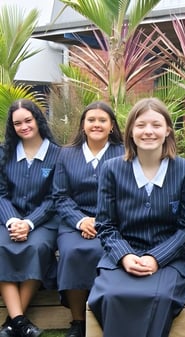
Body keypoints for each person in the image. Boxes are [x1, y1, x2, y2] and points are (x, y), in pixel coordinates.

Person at [87, 98, 185, 337]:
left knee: (160, 297)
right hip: (121, 255)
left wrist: (156, 258)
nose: (148, 131)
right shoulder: (112, 169)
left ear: (168, 129)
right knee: (111, 296)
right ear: (130, 131)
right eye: (141, 125)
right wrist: (125, 256)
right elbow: (105, 224)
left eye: (156, 125)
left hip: (168, 259)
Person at [53, 101, 124, 337]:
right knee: (73, 253)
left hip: (112, 222)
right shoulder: (66, 154)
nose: (96, 124)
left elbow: (125, 194)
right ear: (83, 125)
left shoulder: (123, 153)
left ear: (111, 126)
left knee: (102, 253)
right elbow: (61, 196)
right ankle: (78, 322)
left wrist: (98, 221)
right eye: (91, 120)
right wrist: (81, 221)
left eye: (102, 120)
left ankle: (104, 317)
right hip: (74, 224)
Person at [0, 99, 61, 337]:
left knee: (37, 248)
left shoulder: (57, 155)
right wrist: (13, 221)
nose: (24, 126)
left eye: (28, 120)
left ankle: (12, 322)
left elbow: (56, 197)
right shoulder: (4, 153)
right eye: (18, 123)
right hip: (8, 219)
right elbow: (1, 193)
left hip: (43, 222)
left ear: (38, 120)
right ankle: (19, 321)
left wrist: (29, 222)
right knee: (2, 247)